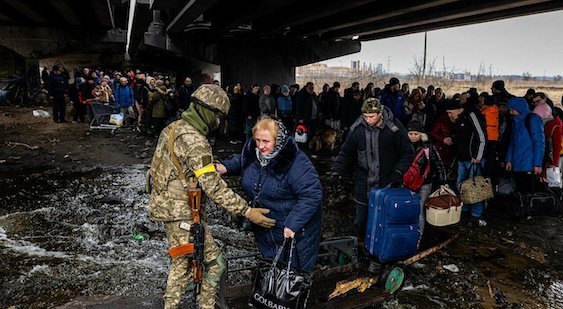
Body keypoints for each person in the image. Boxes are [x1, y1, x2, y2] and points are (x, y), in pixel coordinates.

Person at [147, 84, 275, 309]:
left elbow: (160, 169)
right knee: (213, 263)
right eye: (217, 116)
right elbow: (213, 187)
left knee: (184, 262)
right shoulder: (196, 141)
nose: (218, 122)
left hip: (167, 207)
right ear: (207, 111)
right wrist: (246, 210)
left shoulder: (174, 128)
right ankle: (204, 306)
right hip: (182, 212)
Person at [216, 117, 323, 272]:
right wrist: (226, 167)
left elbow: (312, 194)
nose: (261, 146)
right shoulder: (253, 153)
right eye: (257, 140)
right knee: (272, 267)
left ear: (277, 140)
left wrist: (293, 224)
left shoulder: (295, 161)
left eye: (266, 141)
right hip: (266, 225)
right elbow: (243, 162)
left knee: (291, 274)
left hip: (293, 228)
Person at [332, 98, 413, 240]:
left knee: (383, 219)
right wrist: (337, 171)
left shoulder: (394, 129)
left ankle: (380, 249)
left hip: (386, 181)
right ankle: (361, 246)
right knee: (361, 220)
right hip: (363, 182)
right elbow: (346, 152)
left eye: (371, 116)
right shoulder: (357, 130)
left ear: (380, 113)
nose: (368, 120)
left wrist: (398, 172)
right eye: (365, 116)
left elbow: (407, 153)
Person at [445, 99, 487, 227]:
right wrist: (452, 139)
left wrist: (478, 156)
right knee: (461, 186)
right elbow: (462, 136)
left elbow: (482, 137)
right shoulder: (458, 120)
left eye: (450, 112)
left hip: (473, 159)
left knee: (475, 187)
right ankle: (464, 210)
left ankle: (476, 215)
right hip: (462, 158)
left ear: (457, 109)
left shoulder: (471, 115)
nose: (449, 115)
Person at [406, 120, 447, 236]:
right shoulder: (403, 144)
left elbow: (439, 164)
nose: (413, 137)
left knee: (419, 210)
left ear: (421, 134)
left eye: (416, 134)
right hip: (408, 182)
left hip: (424, 182)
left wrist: (442, 182)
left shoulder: (428, 146)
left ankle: (418, 236)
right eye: (410, 134)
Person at [505, 97, 545, 194]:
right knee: (519, 192)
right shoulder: (516, 121)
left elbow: (539, 143)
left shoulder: (533, 119)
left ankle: (527, 208)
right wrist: (509, 160)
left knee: (527, 191)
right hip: (517, 163)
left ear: (519, 109)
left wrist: (537, 164)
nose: (510, 112)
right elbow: (512, 142)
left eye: (512, 110)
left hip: (529, 163)